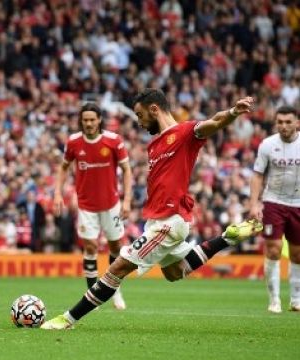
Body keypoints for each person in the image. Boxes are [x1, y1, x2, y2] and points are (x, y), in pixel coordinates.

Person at [41, 89, 263, 330]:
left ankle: (68, 319)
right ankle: (226, 238)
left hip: (171, 221)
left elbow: (216, 121)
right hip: (157, 220)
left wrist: (233, 111)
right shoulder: (154, 145)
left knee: (119, 266)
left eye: (140, 115)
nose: (139, 121)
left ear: (154, 109)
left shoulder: (186, 132)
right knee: (174, 272)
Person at [53, 102, 133, 310]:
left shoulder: (113, 141)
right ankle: (93, 293)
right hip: (86, 206)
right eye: (85, 120)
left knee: (116, 247)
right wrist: (57, 193)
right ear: (81, 120)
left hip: (111, 205)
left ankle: (114, 290)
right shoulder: (73, 142)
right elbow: (63, 168)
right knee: (90, 247)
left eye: (92, 119)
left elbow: (127, 170)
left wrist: (126, 201)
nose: (88, 123)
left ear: (99, 120)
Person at [249, 105, 300, 313]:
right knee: (273, 249)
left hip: (298, 203)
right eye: (280, 122)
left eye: (288, 122)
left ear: (297, 123)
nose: (284, 126)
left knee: (298, 254)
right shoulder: (267, 145)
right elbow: (258, 175)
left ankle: (296, 299)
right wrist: (254, 203)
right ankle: (274, 300)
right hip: (274, 202)